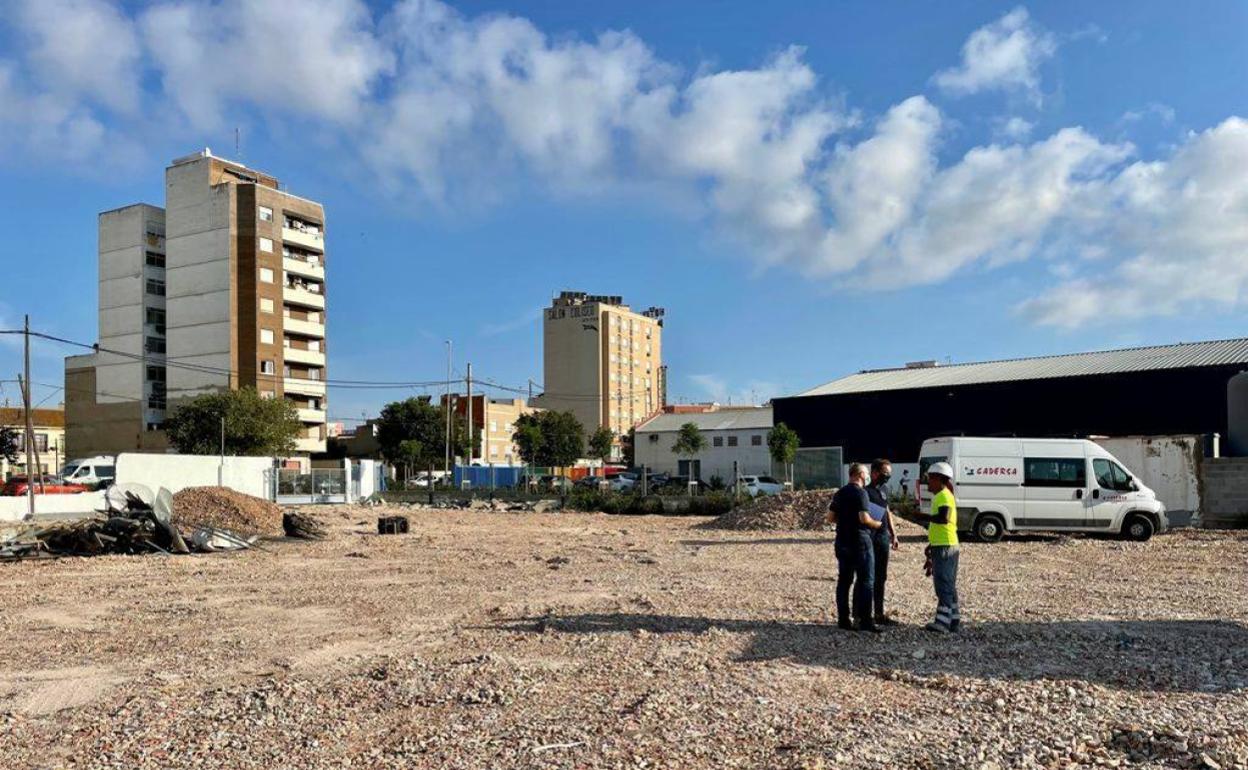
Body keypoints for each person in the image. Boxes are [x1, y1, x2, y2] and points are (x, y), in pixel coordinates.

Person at [826, 463, 884, 632]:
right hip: (860, 542)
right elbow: (864, 518)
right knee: (867, 580)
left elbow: (830, 517)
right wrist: (877, 524)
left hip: (842, 541)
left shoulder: (840, 493)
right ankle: (865, 621)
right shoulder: (861, 493)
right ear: (859, 475)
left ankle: (843, 619)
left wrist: (845, 521)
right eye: (866, 474)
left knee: (844, 580)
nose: (867, 478)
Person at [910, 462, 961, 633]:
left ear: (939, 479)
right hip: (944, 543)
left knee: (943, 583)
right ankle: (953, 619)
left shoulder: (943, 496)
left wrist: (921, 516)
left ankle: (943, 622)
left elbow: (943, 518)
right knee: (949, 583)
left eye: (930, 479)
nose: (928, 483)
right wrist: (931, 545)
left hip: (945, 545)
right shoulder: (943, 495)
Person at [865, 459, 900, 625]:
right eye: (885, 474)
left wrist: (894, 533)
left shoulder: (884, 490)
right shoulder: (865, 492)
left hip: (883, 538)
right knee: (867, 576)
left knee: (881, 577)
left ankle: (879, 613)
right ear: (874, 473)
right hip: (870, 538)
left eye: (889, 475)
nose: (887, 478)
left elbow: (887, 511)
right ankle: (862, 614)